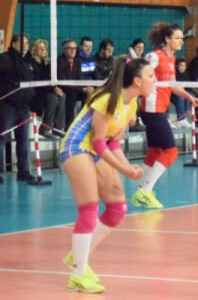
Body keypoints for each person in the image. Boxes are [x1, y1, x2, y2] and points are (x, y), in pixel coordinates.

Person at [60, 56, 153, 293]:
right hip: (77, 147)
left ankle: (77, 257)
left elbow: (113, 144)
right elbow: (99, 142)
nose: (155, 80)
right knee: (89, 207)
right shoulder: (108, 99)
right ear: (137, 81)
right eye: (151, 76)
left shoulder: (131, 104)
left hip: (96, 150)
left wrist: (128, 167)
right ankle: (78, 275)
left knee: (117, 207)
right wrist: (123, 169)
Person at [131, 23, 198, 209]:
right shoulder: (154, 56)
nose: (181, 41)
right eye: (177, 38)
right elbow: (137, 80)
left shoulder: (171, 58)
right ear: (167, 39)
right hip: (151, 110)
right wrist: (131, 108)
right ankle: (145, 192)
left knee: (155, 151)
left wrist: (189, 97)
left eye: (181, 38)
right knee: (171, 151)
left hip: (159, 109)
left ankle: (141, 190)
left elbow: (171, 85)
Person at [0, 34, 36, 182]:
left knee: (23, 141)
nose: (26, 46)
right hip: (7, 106)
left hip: (24, 107)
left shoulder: (28, 61)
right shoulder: (4, 58)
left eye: (27, 43)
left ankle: (23, 171)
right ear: (14, 44)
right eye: (23, 43)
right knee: (2, 139)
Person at [27, 39, 65, 138]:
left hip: (46, 91)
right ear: (34, 50)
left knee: (62, 96)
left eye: (44, 48)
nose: (43, 50)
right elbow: (38, 81)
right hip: (35, 93)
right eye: (40, 48)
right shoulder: (31, 63)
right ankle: (45, 128)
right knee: (52, 98)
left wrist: (56, 88)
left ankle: (58, 128)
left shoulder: (47, 63)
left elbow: (51, 79)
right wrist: (53, 89)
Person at [170, 57, 193, 128]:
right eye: (181, 65)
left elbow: (188, 87)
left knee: (191, 95)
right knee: (181, 96)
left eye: (184, 66)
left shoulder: (187, 74)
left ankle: (187, 114)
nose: (182, 67)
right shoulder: (174, 74)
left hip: (184, 92)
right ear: (177, 66)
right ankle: (181, 118)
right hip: (174, 94)